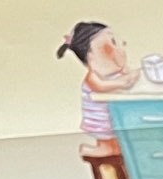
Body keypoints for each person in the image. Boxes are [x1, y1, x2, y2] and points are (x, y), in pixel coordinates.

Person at [57, 20, 136, 156]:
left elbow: (129, 76)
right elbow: (101, 87)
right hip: (100, 118)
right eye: (110, 43)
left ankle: (115, 147)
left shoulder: (116, 71)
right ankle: (103, 148)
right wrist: (120, 83)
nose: (120, 45)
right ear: (90, 55)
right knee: (107, 137)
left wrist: (129, 74)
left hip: (115, 114)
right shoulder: (93, 77)